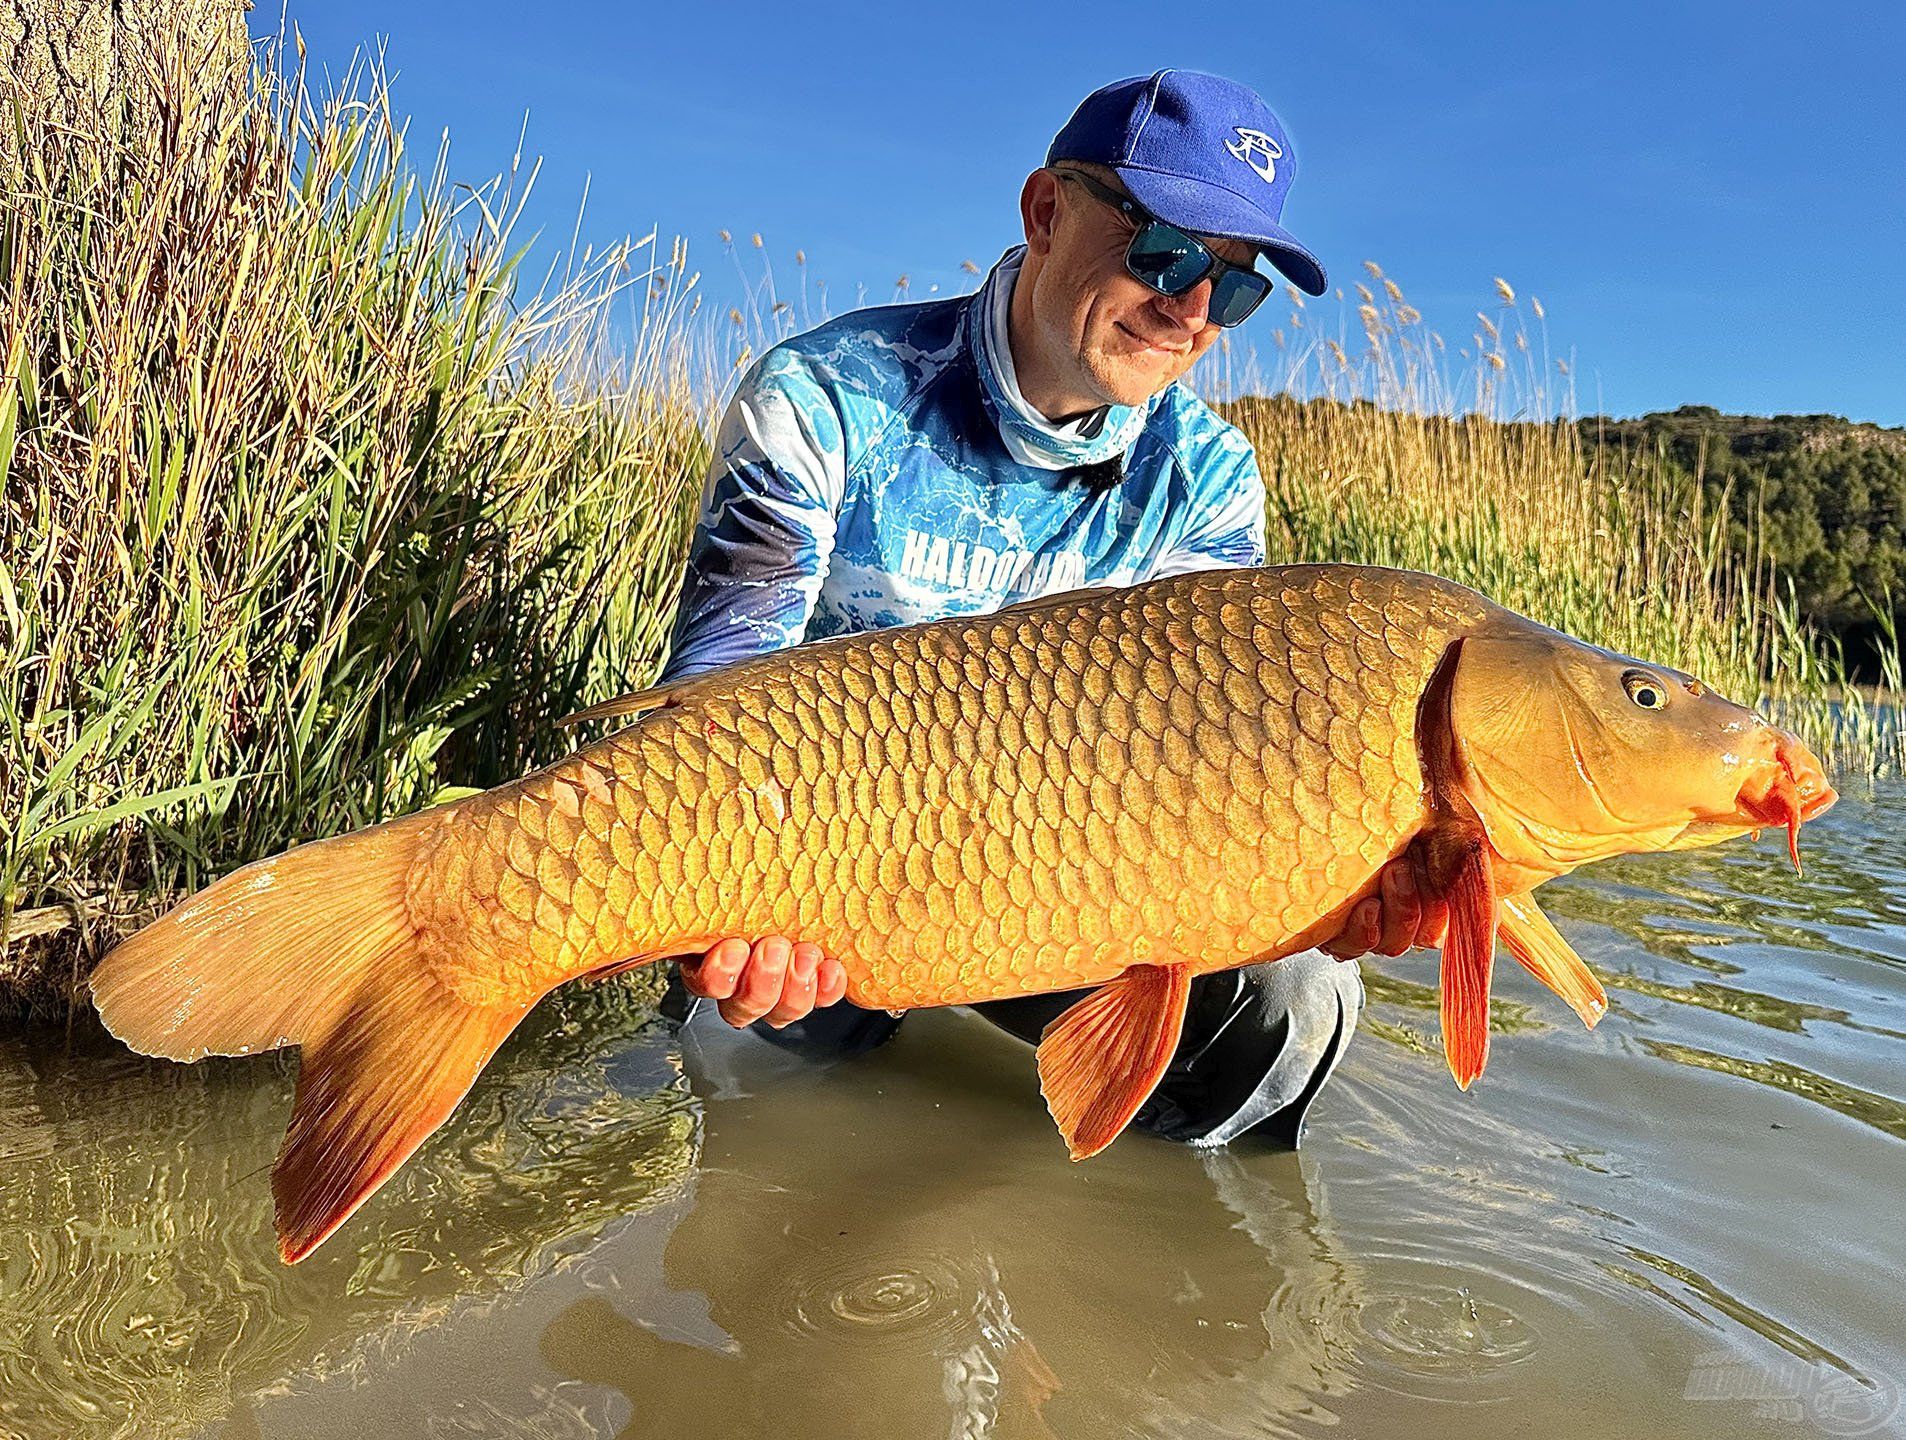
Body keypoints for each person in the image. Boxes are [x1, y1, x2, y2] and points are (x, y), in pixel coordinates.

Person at [655, 69, 1446, 1147]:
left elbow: (1221, 772)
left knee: (1295, 1001)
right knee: (756, 1112)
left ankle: (1138, 1274)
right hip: (819, 890)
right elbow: (707, 708)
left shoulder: (1205, 478)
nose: (1192, 310)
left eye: (1235, 285)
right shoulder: (825, 393)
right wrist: (741, 920)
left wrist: (1329, 880)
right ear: (1044, 211)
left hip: (1068, 896)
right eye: (1165, 252)